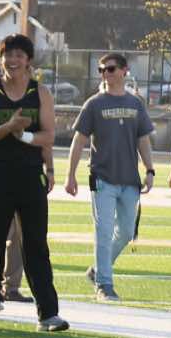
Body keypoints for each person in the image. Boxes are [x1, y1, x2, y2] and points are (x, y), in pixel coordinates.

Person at [0, 33, 65, 331]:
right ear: (1, 58)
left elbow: (49, 135)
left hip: (30, 174)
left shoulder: (40, 92)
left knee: (35, 245)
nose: (12, 60)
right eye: (7, 55)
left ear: (28, 60)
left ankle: (48, 314)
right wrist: (8, 127)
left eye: (19, 55)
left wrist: (28, 139)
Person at [66, 52, 155, 301]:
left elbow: (143, 139)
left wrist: (149, 169)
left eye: (111, 68)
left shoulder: (136, 103)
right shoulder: (94, 104)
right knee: (103, 231)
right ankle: (104, 285)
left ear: (124, 71)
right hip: (102, 178)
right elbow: (79, 140)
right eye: (102, 69)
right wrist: (70, 174)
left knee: (126, 232)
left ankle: (97, 270)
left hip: (130, 180)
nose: (106, 73)